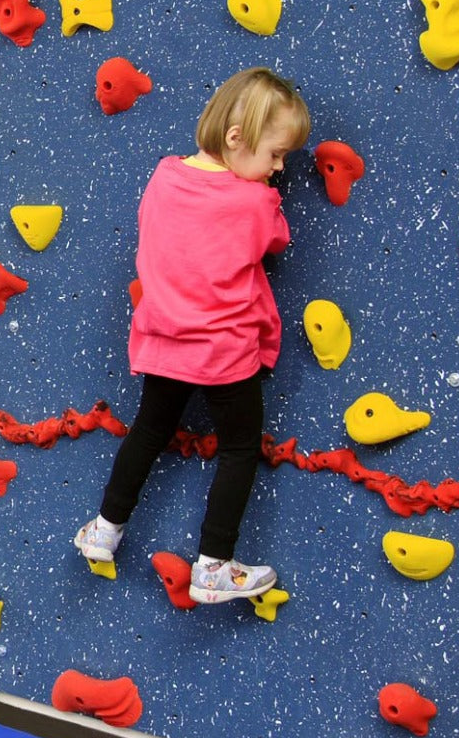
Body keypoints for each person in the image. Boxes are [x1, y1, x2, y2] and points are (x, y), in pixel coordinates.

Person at [74, 67, 311, 604]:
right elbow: (273, 242)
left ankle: (104, 531)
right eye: (276, 154)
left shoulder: (164, 176)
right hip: (225, 352)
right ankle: (213, 567)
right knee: (240, 448)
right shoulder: (256, 203)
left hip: (163, 343)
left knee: (148, 432)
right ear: (236, 138)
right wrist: (262, 200)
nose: (278, 169)